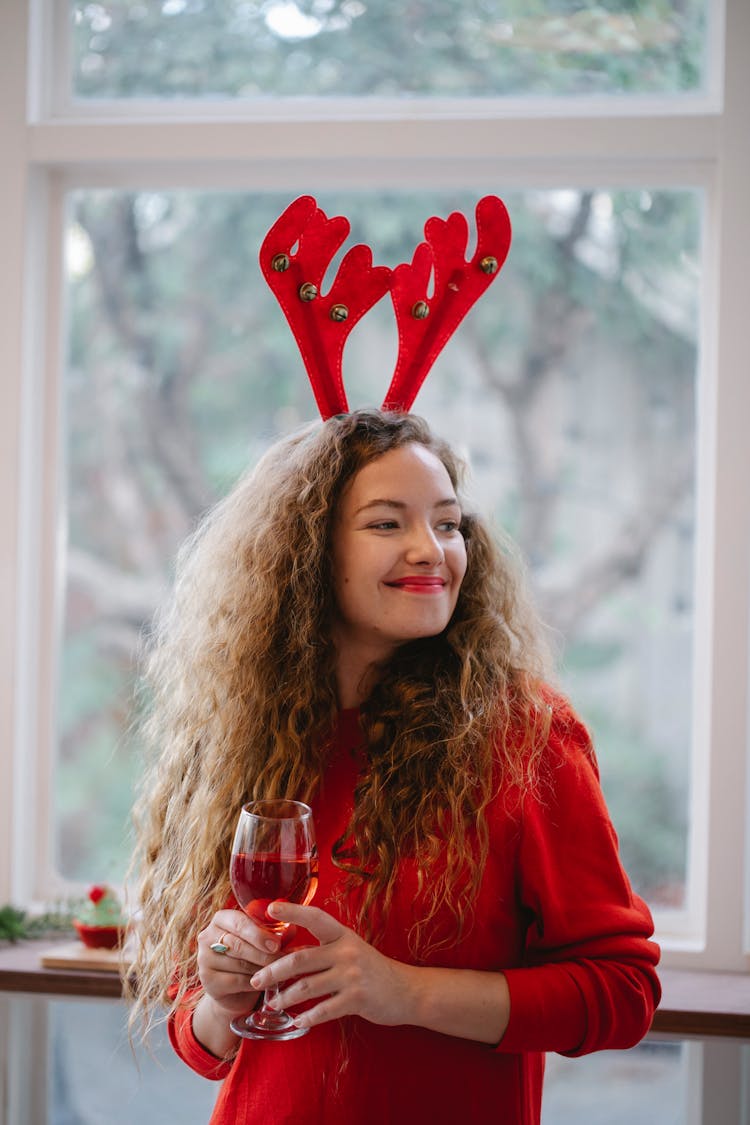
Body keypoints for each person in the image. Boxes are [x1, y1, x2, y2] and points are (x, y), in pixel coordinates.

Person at [127, 407, 661, 1125]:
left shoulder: (527, 738)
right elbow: (204, 1041)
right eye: (388, 523)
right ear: (309, 550)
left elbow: (621, 993)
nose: (431, 549)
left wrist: (401, 990)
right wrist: (223, 1001)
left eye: (447, 523)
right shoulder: (239, 739)